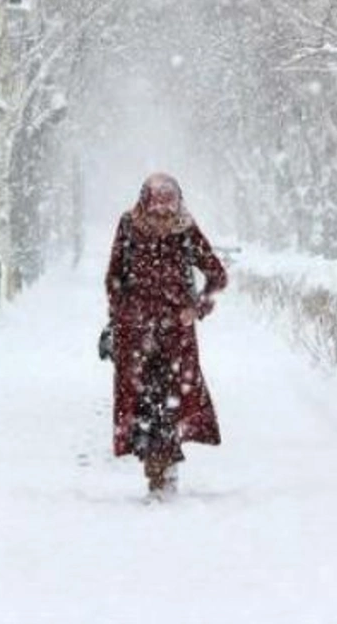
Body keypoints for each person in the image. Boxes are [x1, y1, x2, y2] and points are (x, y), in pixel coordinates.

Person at [105, 172, 228, 498]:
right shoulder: (129, 226)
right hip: (136, 336)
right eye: (156, 211)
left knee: (171, 403)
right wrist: (120, 315)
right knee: (143, 404)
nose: (161, 219)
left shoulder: (185, 230)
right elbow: (114, 277)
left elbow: (217, 275)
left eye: (167, 212)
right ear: (144, 204)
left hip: (175, 337)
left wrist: (198, 308)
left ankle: (164, 471)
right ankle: (155, 470)